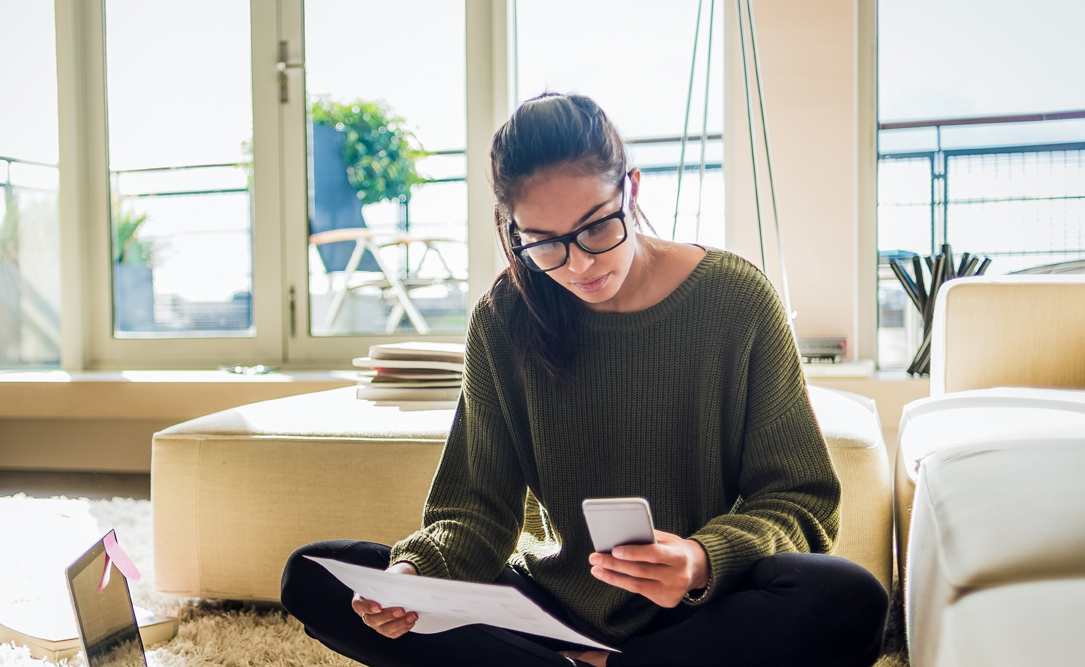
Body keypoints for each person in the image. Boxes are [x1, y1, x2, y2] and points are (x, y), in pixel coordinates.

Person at [280, 93, 888, 667]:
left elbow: (800, 499)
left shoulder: (736, 299)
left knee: (849, 598)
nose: (580, 264)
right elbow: (477, 510)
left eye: (597, 226)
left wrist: (701, 560)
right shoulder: (504, 319)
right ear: (512, 229)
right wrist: (415, 577)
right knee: (316, 576)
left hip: (696, 608)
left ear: (631, 188)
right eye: (543, 244)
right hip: (550, 607)